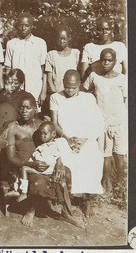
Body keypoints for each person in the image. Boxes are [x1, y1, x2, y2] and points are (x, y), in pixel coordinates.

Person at [5, 94, 75, 227]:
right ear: (18, 109)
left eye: (28, 108)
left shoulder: (40, 125)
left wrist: (59, 163)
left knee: (66, 172)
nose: (24, 111)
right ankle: (31, 210)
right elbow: (10, 157)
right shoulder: (13, 128)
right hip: (25, 167)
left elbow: (54, 145)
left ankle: (65, 211)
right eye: (21, 108)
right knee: (38, 181)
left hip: (45, 163)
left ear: (35, 109)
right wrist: (30, 164)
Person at [50, 70, 104, 217]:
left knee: (93, 157)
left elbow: (97, 122)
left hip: (86, 138)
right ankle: (67, 198)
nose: (70, 90)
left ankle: (87, 200)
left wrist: (84, 139)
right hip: (64, 137)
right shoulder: (56, 97)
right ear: (63, 82)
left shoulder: (88, 98)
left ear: (80, 84)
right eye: (67, 87)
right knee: (65, 156)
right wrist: (67, 139)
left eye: (74, 87)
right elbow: (54, 124)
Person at [83, 48, 128, 195]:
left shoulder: (122, 79)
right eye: (103, 59)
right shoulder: (94, 76)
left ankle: (121, 185)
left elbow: (127, 100)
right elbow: (84, 91)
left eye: (109, 60)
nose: (106, 62)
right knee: (105, 155)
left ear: (115, 62)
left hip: (119, 122)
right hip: (102, 122)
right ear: (100, 61)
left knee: (119, 155)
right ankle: (107, 182)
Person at [13, 121, 68, 203]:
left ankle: (22, 191)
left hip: (47, 170)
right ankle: (17, 189)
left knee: (24, 169)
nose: (42, 136)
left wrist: (58, 163)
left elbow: (58, 156)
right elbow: (34, 157)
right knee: (23, 169)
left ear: (53, 134)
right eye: (40, 134)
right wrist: (32, 162)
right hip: (40, 169)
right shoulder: (42, 146)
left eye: (45, 134)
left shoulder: (54, 145)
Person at [4, 12, 47, 107]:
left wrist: (43, 92)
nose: (23, 28)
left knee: (33, 114)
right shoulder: (11, 44)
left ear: (31, 26)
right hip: (15, 90)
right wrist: (8, 89)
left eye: (26, 25)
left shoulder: (40, 43)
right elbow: (8, 70)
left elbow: (44, 70)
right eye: (21, 25)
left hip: (35, 88)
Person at [80, 17, 127, 81]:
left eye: (107, 29)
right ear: (96, 31)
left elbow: (126, 72)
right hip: (96, 86)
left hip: (116, 86)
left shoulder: (120, 46)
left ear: (111, 30)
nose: (104, 32)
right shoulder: (89, 47)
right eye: (100, 29)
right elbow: (84, 75)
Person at [0, 68, 32, 136]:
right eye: (9, 82)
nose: (12, 85)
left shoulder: (26, 97)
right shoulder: (0, 95)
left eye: (15, 83)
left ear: (21, 84)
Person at [45, 26, 80, 93]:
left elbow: (79, 74)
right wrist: (54, 92)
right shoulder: (51, 54)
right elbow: (49, 78)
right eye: (59, 39)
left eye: (64, 38)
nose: (61, 41)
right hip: (58, 92)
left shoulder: (76, 53)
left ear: (69, 38)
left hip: (73, 92)